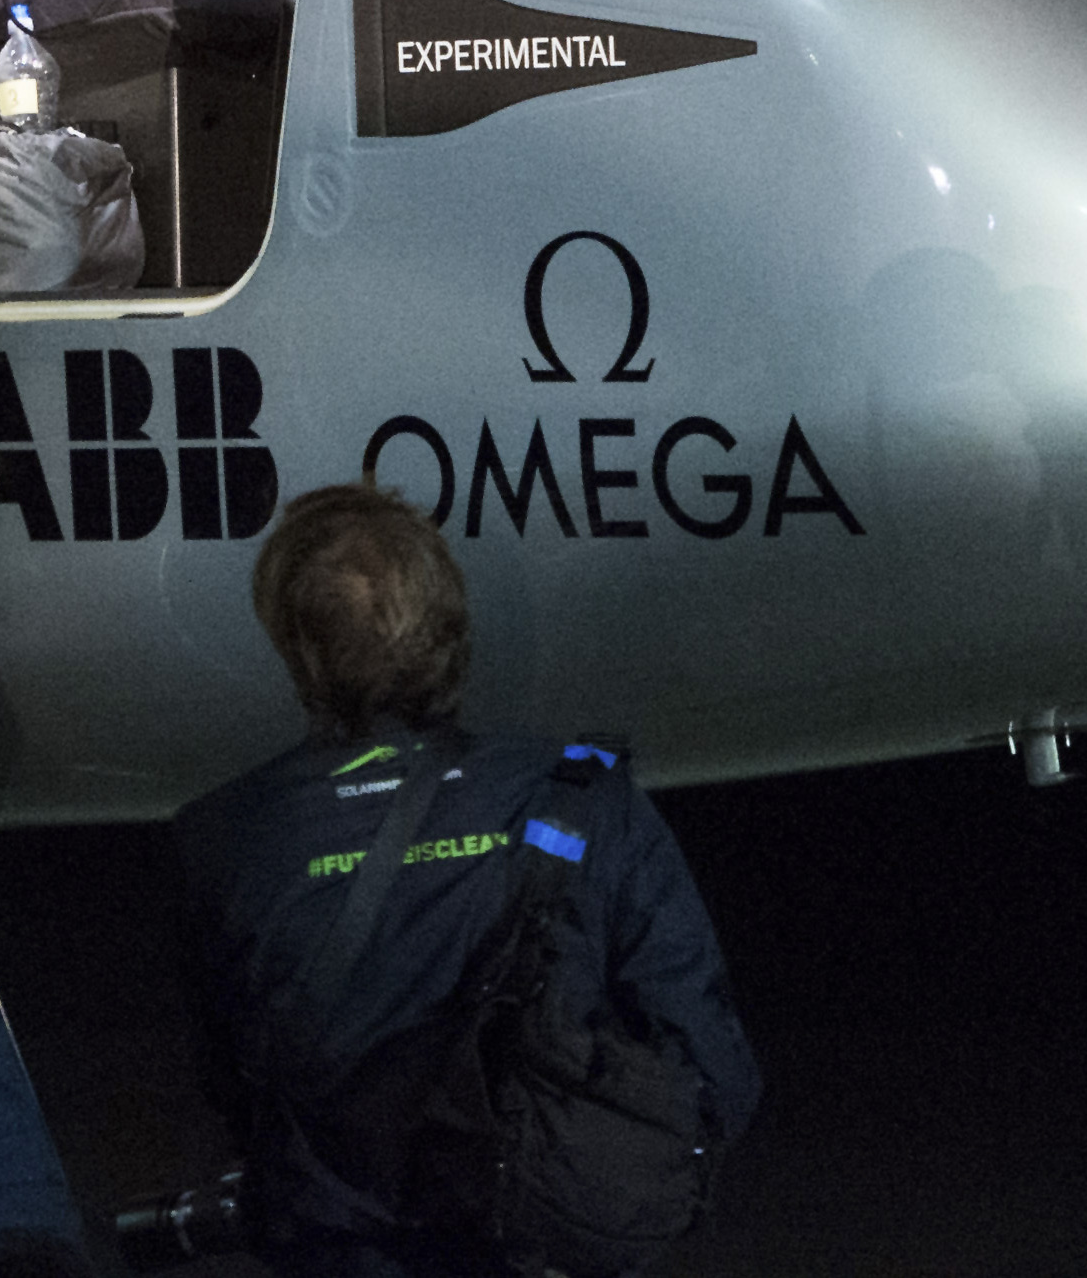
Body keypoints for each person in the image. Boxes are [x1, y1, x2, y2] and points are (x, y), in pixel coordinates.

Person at [170, 484, 759, 1278]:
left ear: (294, 642)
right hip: (538, 1247)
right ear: (451, 627)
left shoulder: (223, 837)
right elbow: (714, 1071)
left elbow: (232, 1087)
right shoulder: (583, 797)